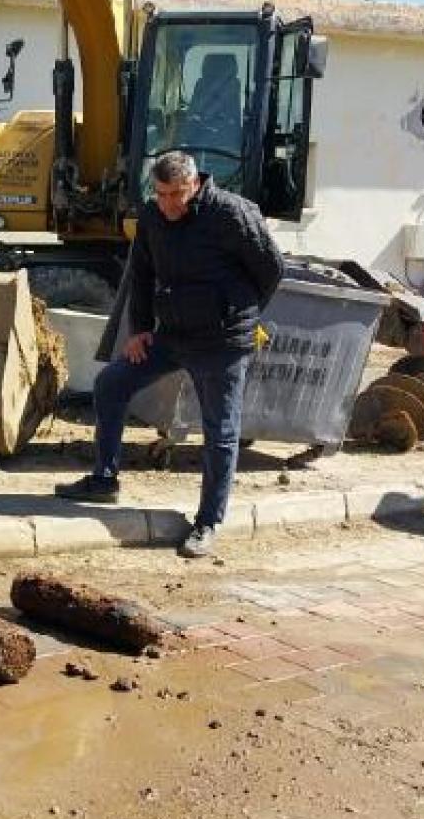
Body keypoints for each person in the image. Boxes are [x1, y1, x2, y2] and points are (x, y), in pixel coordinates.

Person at [55, 150, 285, 560]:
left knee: (219, 433)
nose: (169, 204)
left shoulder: (231, 214)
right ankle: (105, 478)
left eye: (176, 194)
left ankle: (208, 522)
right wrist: (141, 329)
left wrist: (238, 315)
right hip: (173, 334)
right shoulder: (152, 218)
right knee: (111, 383)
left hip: (221, 341)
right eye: (161, 194)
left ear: (194, 185)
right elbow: (140, 274)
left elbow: (271, 268)